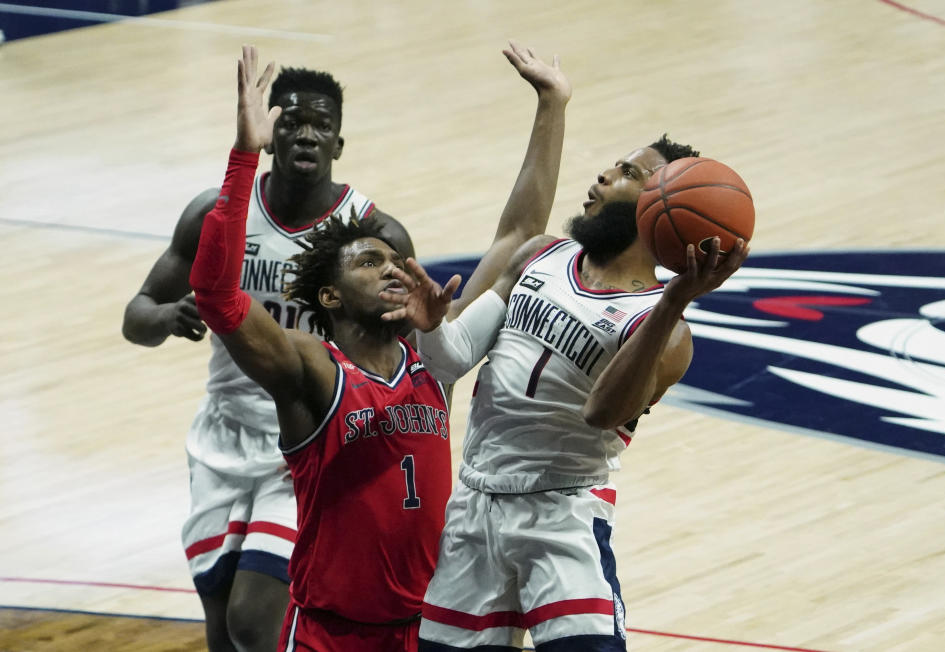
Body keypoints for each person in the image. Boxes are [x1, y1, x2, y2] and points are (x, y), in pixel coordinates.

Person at [187, 42, 570, 652]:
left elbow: (519, 237)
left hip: (436, 629)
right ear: (333, 298)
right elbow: (217, 296)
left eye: (395, 259)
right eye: (369, 262)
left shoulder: (436, 355)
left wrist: (553, 102)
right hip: (336, 635)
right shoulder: (313, 370)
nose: (393, 267)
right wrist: (243, 156)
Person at [380, 141, 749, 651]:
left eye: (626, 172)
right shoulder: (540, 255)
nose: (602, 175)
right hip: (475, 506)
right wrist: (432, 328)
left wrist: (673, 301)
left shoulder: (662, 328)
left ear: (659, 205)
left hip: (561, 513)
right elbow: (450, 359)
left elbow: (603, 412)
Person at [121, 52, 414, 651]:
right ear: (270, 130)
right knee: (224, 631)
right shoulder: (216, 213)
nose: (306, 133)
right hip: (223, 438)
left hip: (310, 440)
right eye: (291, 121)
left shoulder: (374, 234)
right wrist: (168, 316)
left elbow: (404, 360)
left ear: (339, 142)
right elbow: (136, 316)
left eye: (321, 125)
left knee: (255, 623)